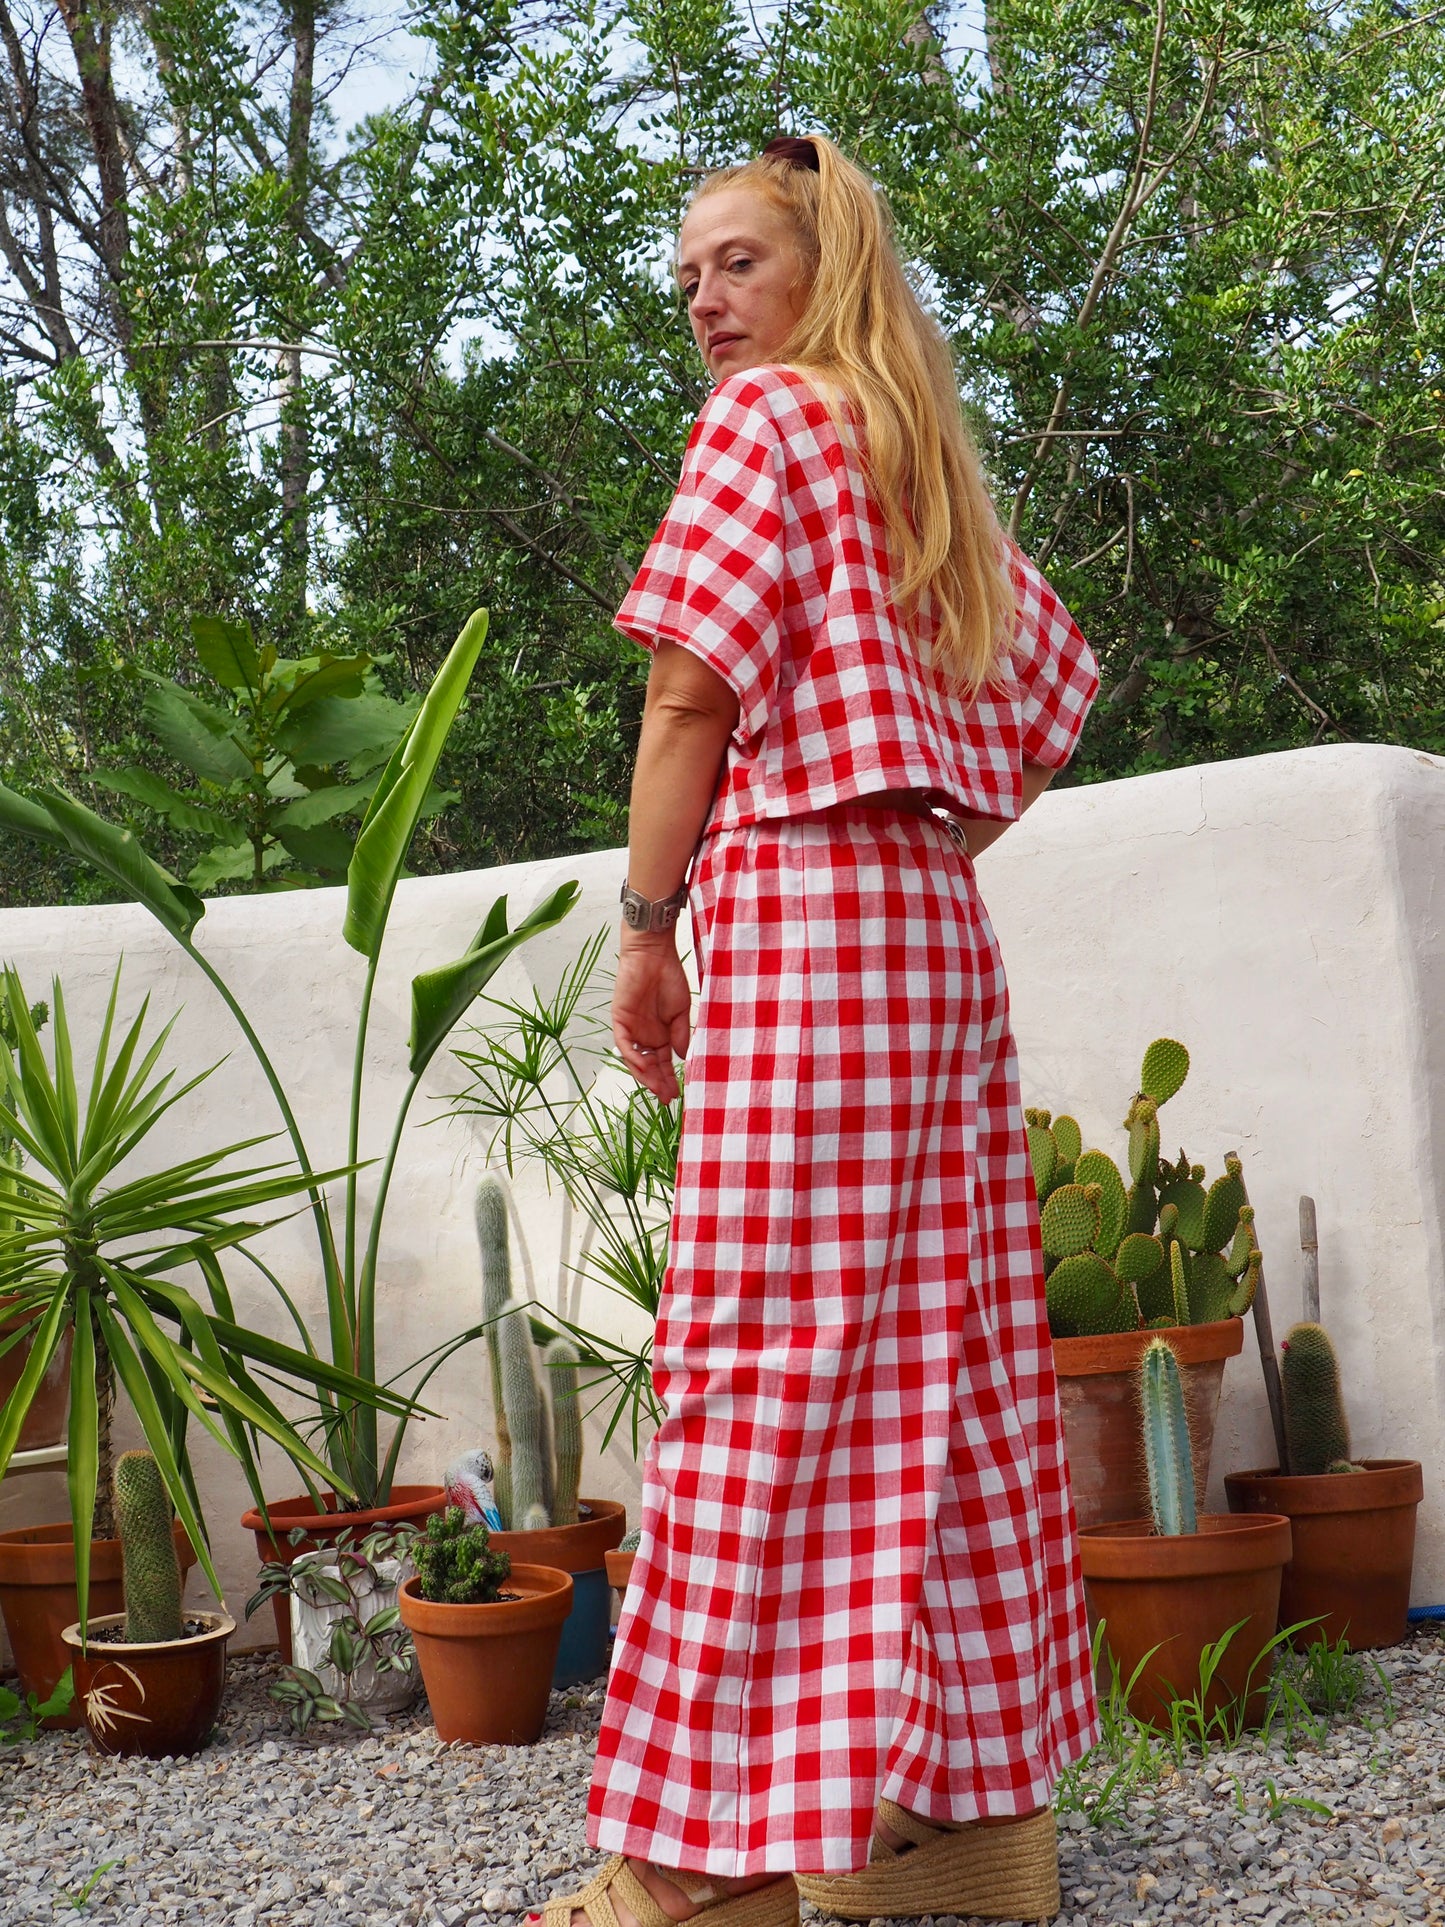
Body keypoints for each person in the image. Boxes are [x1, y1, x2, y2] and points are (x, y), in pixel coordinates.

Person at [534, 135, 1100, 1927]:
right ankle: (959, 1835)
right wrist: (908, 831)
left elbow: (689, 687)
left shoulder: (768, 427)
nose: (704, 303)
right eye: (690, 274)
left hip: (797, 917)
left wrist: (647, 931)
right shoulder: (918, 453)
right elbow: (1037, 718)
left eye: (737, 264)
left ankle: (704, 1871)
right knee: (942, 1366)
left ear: (821, 269)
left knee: (756, 1374)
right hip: (930, 932)